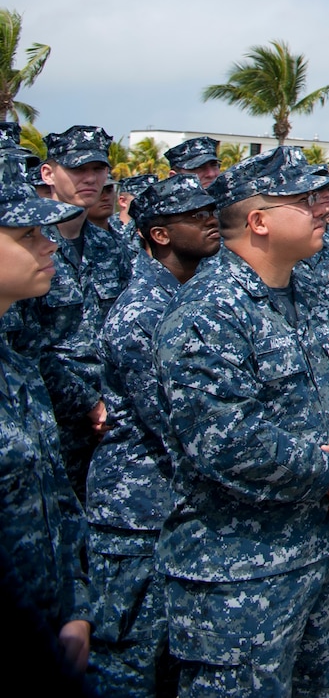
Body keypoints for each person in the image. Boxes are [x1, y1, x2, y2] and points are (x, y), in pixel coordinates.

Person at [153, 148, 329, 697]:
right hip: (238, 576)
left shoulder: (307, 294)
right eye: (303, 201)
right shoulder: (207, 312)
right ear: (259, 222)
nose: (323, 210)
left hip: (317, 553)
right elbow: (229, 439)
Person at [86, 175, 220, 698]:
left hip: (180, 509)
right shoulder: (143, 312)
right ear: (160, 234)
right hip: (139, 517)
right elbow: (181, 425)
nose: (212, 221)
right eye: (196, 216)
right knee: (131, 665)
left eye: (212, 211)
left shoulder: (196, 298)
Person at [0, 152, 94, 689]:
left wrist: (75, 608)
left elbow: (55, 496)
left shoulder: (16, 361)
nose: (49, 244)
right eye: (27, 235)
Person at [11, 125, 132, 496]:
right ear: (48, 174)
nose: (90, 179)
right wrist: (87, 403)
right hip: (51, 417)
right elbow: (24, 346)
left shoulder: (111, 246)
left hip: (112, 417)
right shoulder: (22, 248)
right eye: (77, 169)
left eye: (98, 169)